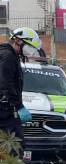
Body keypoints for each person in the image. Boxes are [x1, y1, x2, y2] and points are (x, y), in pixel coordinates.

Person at [0, 27, 41, 156]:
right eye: (30, 46)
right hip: (3, 112)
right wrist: (19, 106)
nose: (31, 51)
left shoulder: (12, 56)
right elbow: (6, 84)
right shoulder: (7, 56)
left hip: (7, 111)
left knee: (16, 147)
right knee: (12, 150)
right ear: (18, 41)